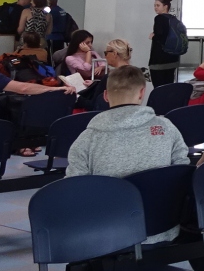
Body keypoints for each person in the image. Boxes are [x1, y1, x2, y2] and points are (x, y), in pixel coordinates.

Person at [65, 65, 189, 240]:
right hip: (164, 230)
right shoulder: (167, 128)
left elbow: (75, 190)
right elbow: (182, 172)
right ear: (142, 93)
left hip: (108, 236)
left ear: (105, 96)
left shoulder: (86, 139)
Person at [148, 0, 181, 86]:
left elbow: (160, 37)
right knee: (168, 87)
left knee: (158, 88)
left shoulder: (159, 18)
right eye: (155, 5)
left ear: (165, 6)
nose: (155, 7)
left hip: (159, 61)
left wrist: (153, 36)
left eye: (158, 5)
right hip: (172, 60)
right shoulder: (174, 19)